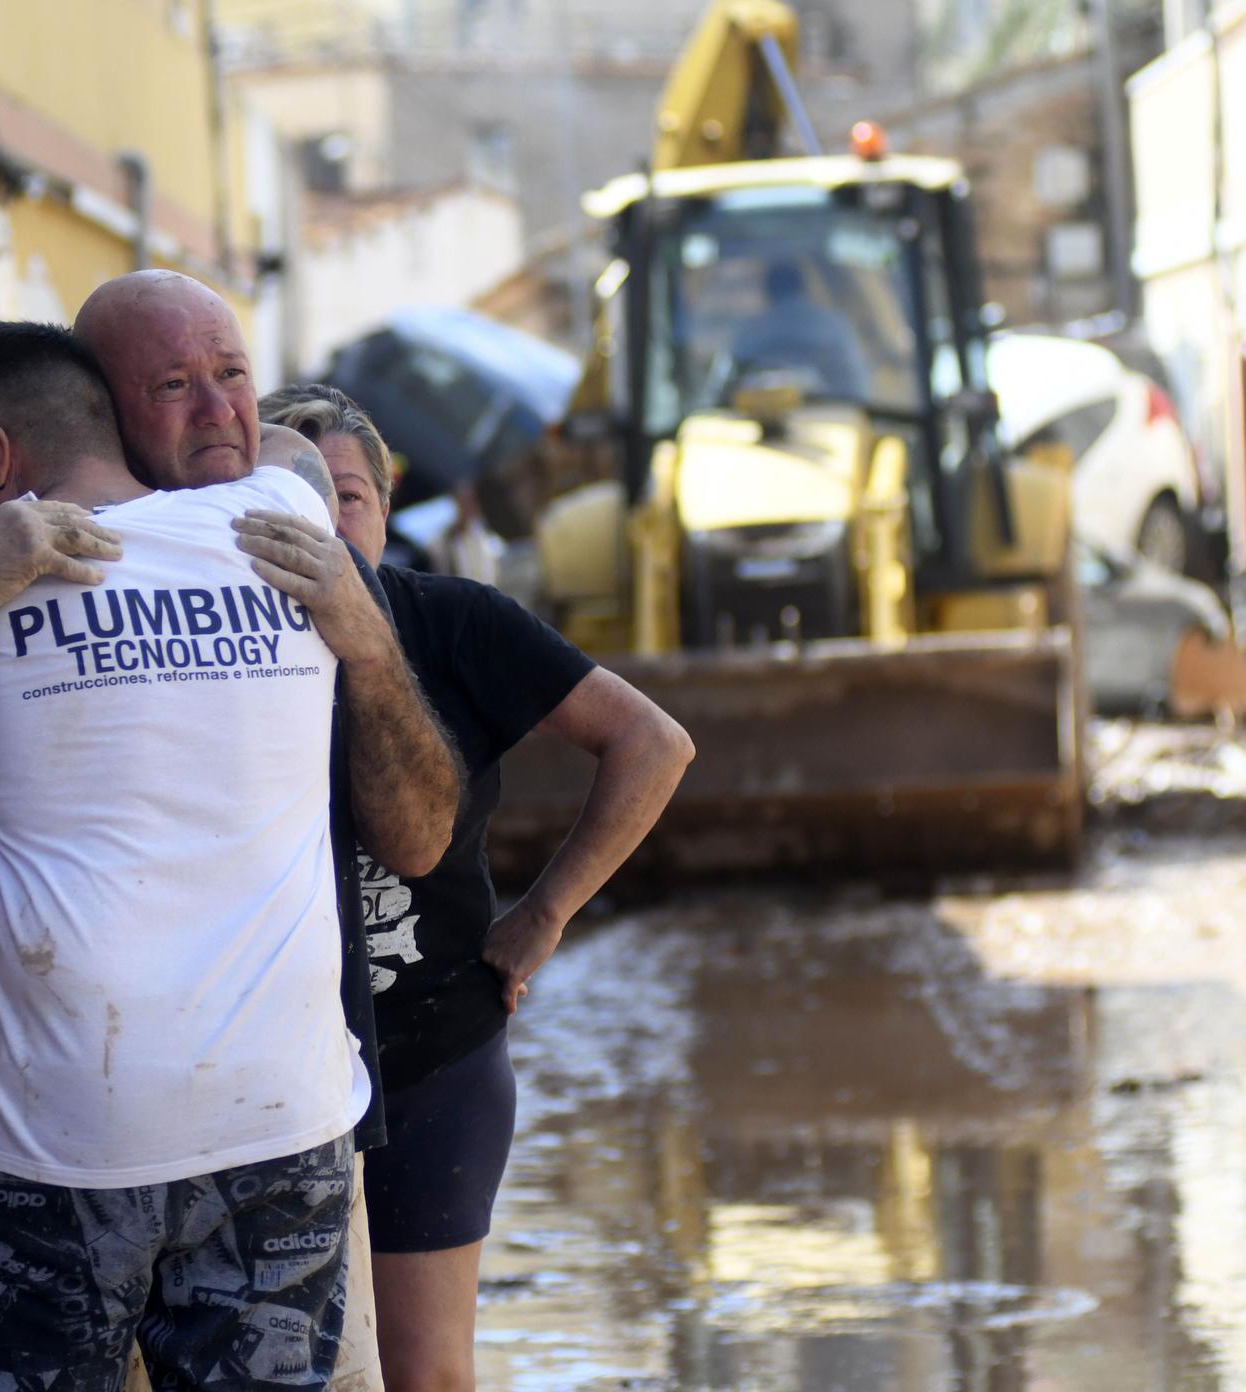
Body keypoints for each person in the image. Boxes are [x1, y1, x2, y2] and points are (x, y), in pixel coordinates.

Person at [0, 272, 457, 1392]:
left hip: (57, 1142)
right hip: (280, 1133)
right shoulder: (290, 522)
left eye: (231, 378)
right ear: (111, 406)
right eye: (176, 386)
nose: (216, 411)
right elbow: (302, 466)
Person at [259, 383, 693, 1392]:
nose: (321, 526)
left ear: (383, 504)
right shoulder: (209, 653)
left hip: (432, 1059)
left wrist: (543, 914)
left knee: (425, 1372)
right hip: (262, 1068)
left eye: (347, 497)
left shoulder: (450, 621)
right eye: (285, 496)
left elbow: (652, 744)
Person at [726, 257, 870, 401]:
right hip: (832, 413)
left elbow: (729, 383)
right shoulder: (833, 325)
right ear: (803, 288)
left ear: (768, 292)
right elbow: (855, 383)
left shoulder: (751, 331)